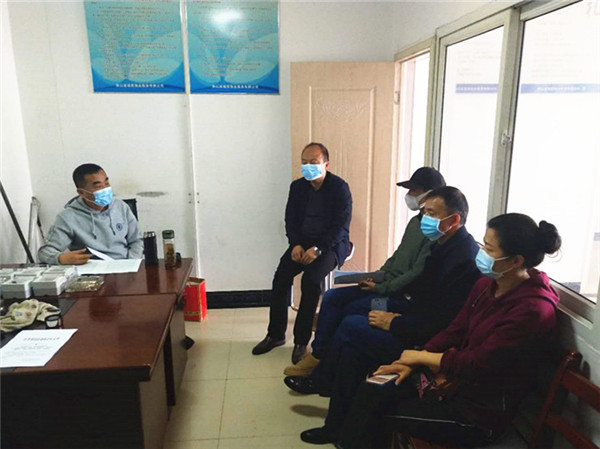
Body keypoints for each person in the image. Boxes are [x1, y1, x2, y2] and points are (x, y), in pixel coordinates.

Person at [337, 213, 562, 449]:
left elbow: (479, 361)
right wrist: (413, 361)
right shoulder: (487, 284)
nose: (481, 253)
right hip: (452, 382)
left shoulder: (533, 310)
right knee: (373, 387)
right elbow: (456, 329)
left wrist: (420, 357)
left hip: (478, 412)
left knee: (380, 411)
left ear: (515, 261)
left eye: (489, 249)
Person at [289, 186, 481, 445]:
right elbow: (418, 290)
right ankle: (337, 426)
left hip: (424, 342)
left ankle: (322, 379)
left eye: (432, 213)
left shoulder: (463, 260)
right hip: (408, 312)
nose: (424, 218)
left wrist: (394, 321)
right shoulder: (442, 244)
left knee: (352, 325)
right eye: (424, 212)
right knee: (352, 347)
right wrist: (387, 297)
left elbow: (442, 321)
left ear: (453, 219)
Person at [283, 167, 446, 377]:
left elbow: (415, 273)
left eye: (414, 191)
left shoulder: (435, 233)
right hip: (385, 284)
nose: (409, 195)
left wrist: (381, 287)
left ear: (431, 194)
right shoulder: (416, 222)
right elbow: (398, 255)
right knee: (332, 297)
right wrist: (379, 274)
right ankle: (318, 355)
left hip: (397, 297)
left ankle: (327, 365)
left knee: (352, 309)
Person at [253, 143, 353, 364]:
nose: (308, 166)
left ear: (326, 164)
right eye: (304, 162)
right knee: (281, 278)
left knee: (310, 281)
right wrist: (295, 244)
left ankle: (301, 341)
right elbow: (290, 219)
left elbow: (341, 226)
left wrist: (318, 248)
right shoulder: (298, 187)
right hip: (302, 243)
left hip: (330, 245)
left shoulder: (339, 188)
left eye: (314, 162)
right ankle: (275, 335)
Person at [38, 163, 143, 265]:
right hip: (92, 271)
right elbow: (45, 252)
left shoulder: (121, 207)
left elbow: (137, 241)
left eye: (106, 183)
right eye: (98, 186)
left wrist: (131, 263)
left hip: (125, 266)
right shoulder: (68, 217)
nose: (105, 189)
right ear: (82, 193)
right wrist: (61, 258)